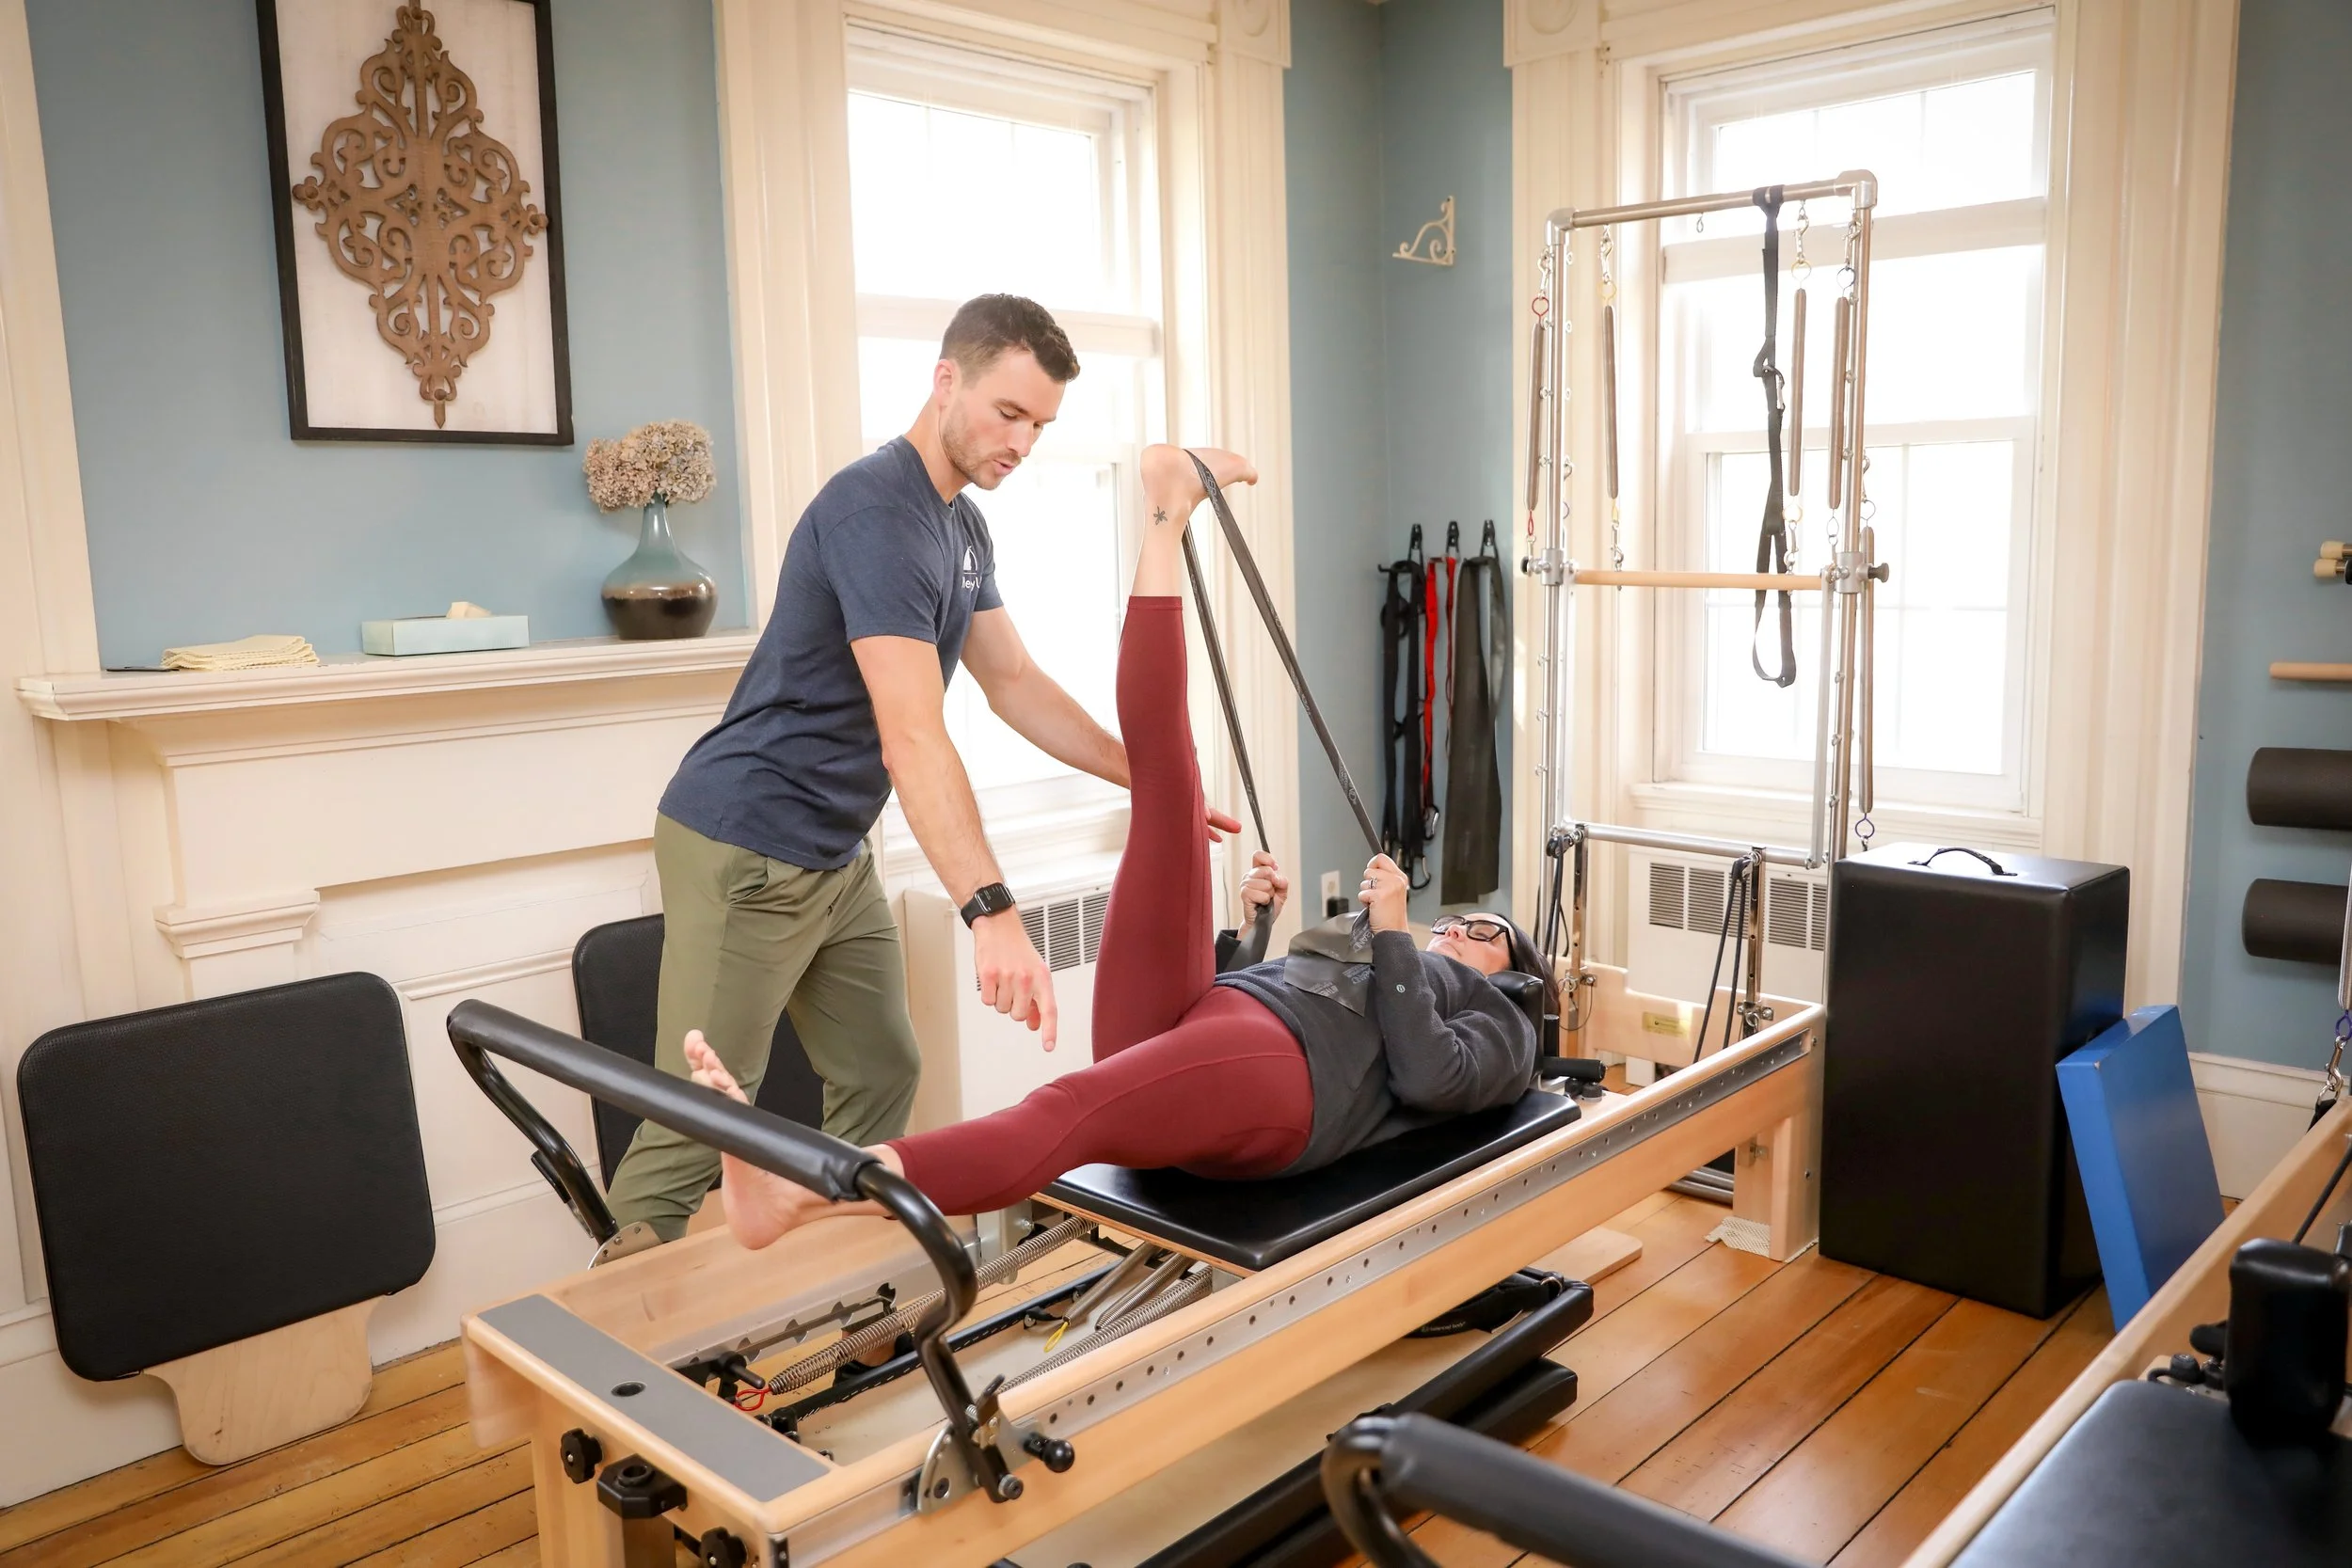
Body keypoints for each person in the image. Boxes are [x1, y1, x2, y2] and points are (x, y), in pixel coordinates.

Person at [679, 444, 1560, 1251]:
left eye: (1483, 929)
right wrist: (1252, 932)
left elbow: (1429, 1077)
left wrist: (1402, 933)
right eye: (1461, 922)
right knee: (1168, 791)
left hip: (1287, 1084)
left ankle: (801, 1195)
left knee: (1064, 1108)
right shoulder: (1395, 959)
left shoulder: (1504, 1023)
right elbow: (1256, 989)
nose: (1461, 929)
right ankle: (1167, 512)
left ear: (1510, 967)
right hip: (1222, 1019)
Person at [607, 295, 1239, 1242]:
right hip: (747, 842)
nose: (1021, 442)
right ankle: (607, 1363)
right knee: (695, 1123)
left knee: (879, 1072)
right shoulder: (876, 511)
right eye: (1008, 413)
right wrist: (991, 910)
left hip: (831, 849)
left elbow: (1015, 682)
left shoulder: (961, 528)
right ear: (946, 380)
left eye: (1041, 424)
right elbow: (912, 733)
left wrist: (1154, 784)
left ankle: (831, 1288)